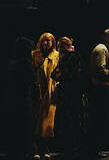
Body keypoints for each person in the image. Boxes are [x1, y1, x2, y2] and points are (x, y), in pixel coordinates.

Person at [88, 28, 109, 159]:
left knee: (99, 119)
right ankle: (94, 151)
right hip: (101, 89)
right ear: (108, 38)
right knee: (99, 120)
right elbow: (100, 69)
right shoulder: (101, 49)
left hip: (102, 88)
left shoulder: (103, 49)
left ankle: (95, 150)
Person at [52, 37, 84, 160]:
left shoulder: (70, 57)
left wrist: (62, 75)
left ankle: (72, 148)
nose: (59, 49)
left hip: (70, 94)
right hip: (70, 93)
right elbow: (54, 74)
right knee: (71, 121)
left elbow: (60, 74)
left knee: (71, 121)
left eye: (61, 46)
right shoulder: (70, 57)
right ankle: (72, 148)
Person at [7, 37, 36, 160]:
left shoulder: (13, 63)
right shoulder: (25, 63)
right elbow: (31, 79)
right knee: (25, 126)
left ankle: (16, 151)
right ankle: (25, 151)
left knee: (16, 127)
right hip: (24, 99)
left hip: (13, 99)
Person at [31, 32, 59, 160]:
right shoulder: (35, 55)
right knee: (36, 120)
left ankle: (45, 148)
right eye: (44, 41)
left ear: (53, 43)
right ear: (41, 42)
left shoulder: (57, 55)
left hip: (51, 92)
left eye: (49, 41)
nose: (47, 43)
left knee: (48, 122)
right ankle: (35, 149)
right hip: (38, 90)